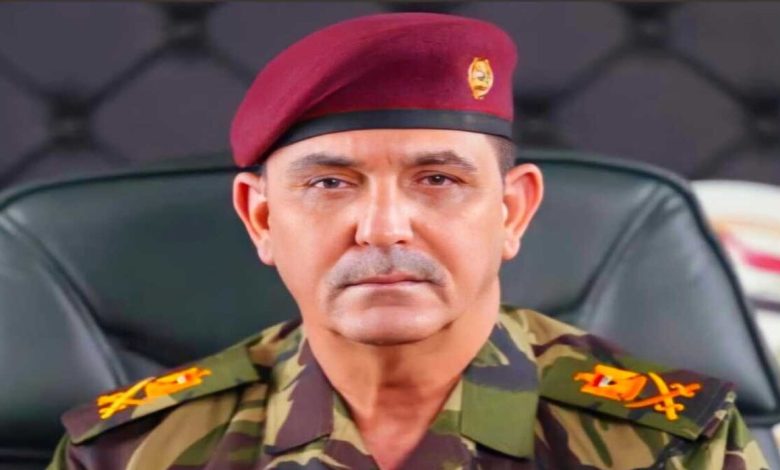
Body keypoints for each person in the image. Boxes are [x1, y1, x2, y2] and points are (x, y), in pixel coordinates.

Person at [48, 12, 768, 470]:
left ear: (512, 212)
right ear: (260, 219)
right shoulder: (135, 451)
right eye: (330, 183)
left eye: (438, 180)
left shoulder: (666, 445)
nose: (384, 226)